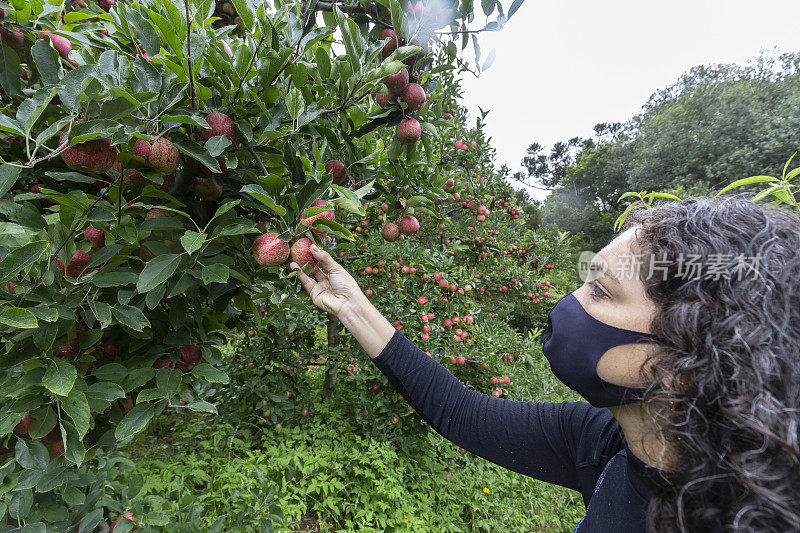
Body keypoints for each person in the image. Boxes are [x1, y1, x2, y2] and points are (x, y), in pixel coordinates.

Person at [289, 195, 800, 532]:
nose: (570, 302)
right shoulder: (608, 445)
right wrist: (352, 306)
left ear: (683, 362)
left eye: (600, 291)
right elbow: (459, 411)